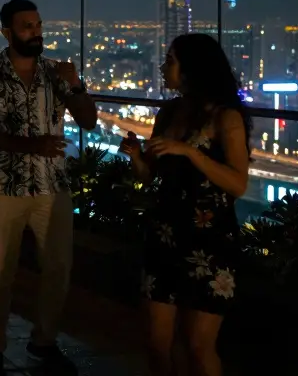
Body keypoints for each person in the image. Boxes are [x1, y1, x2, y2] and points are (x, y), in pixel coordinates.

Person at [0, 0, 97, 376]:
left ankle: (44, 341)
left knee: (58, 268)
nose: (36, 31)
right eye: (27, 26)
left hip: (51, 186)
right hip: (5, 184)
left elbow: (88, 120)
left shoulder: (56, 73)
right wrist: (29, 146)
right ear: (7, 32)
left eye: (38, 24)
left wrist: (75, 85)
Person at [121, 33, 250, 376]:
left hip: (209, 242)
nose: (163, 68)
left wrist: (191, 152)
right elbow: (150, 176)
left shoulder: (226, 118)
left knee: (198, 345)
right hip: (165, 235)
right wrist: (137, 157)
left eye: (170, 61)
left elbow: (238, 183)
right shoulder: (169, 112)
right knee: (156, 341)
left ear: (192, 69)